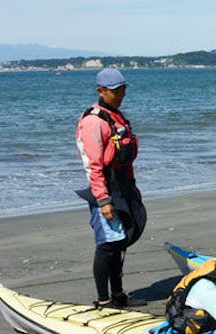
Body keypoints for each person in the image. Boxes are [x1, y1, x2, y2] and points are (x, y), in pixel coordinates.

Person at [76, 68, 147, 308]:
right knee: (107, 246)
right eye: (115, 91)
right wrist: (103, 200)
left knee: (120, 244)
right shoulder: (94, 122)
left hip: (124, 189)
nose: (121, 95)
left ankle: (119, 295)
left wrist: (132, 190)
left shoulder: (115, 116)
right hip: (106, 192)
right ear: (100, 91)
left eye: (123, 89)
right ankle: (103, 300)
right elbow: (93, 165)